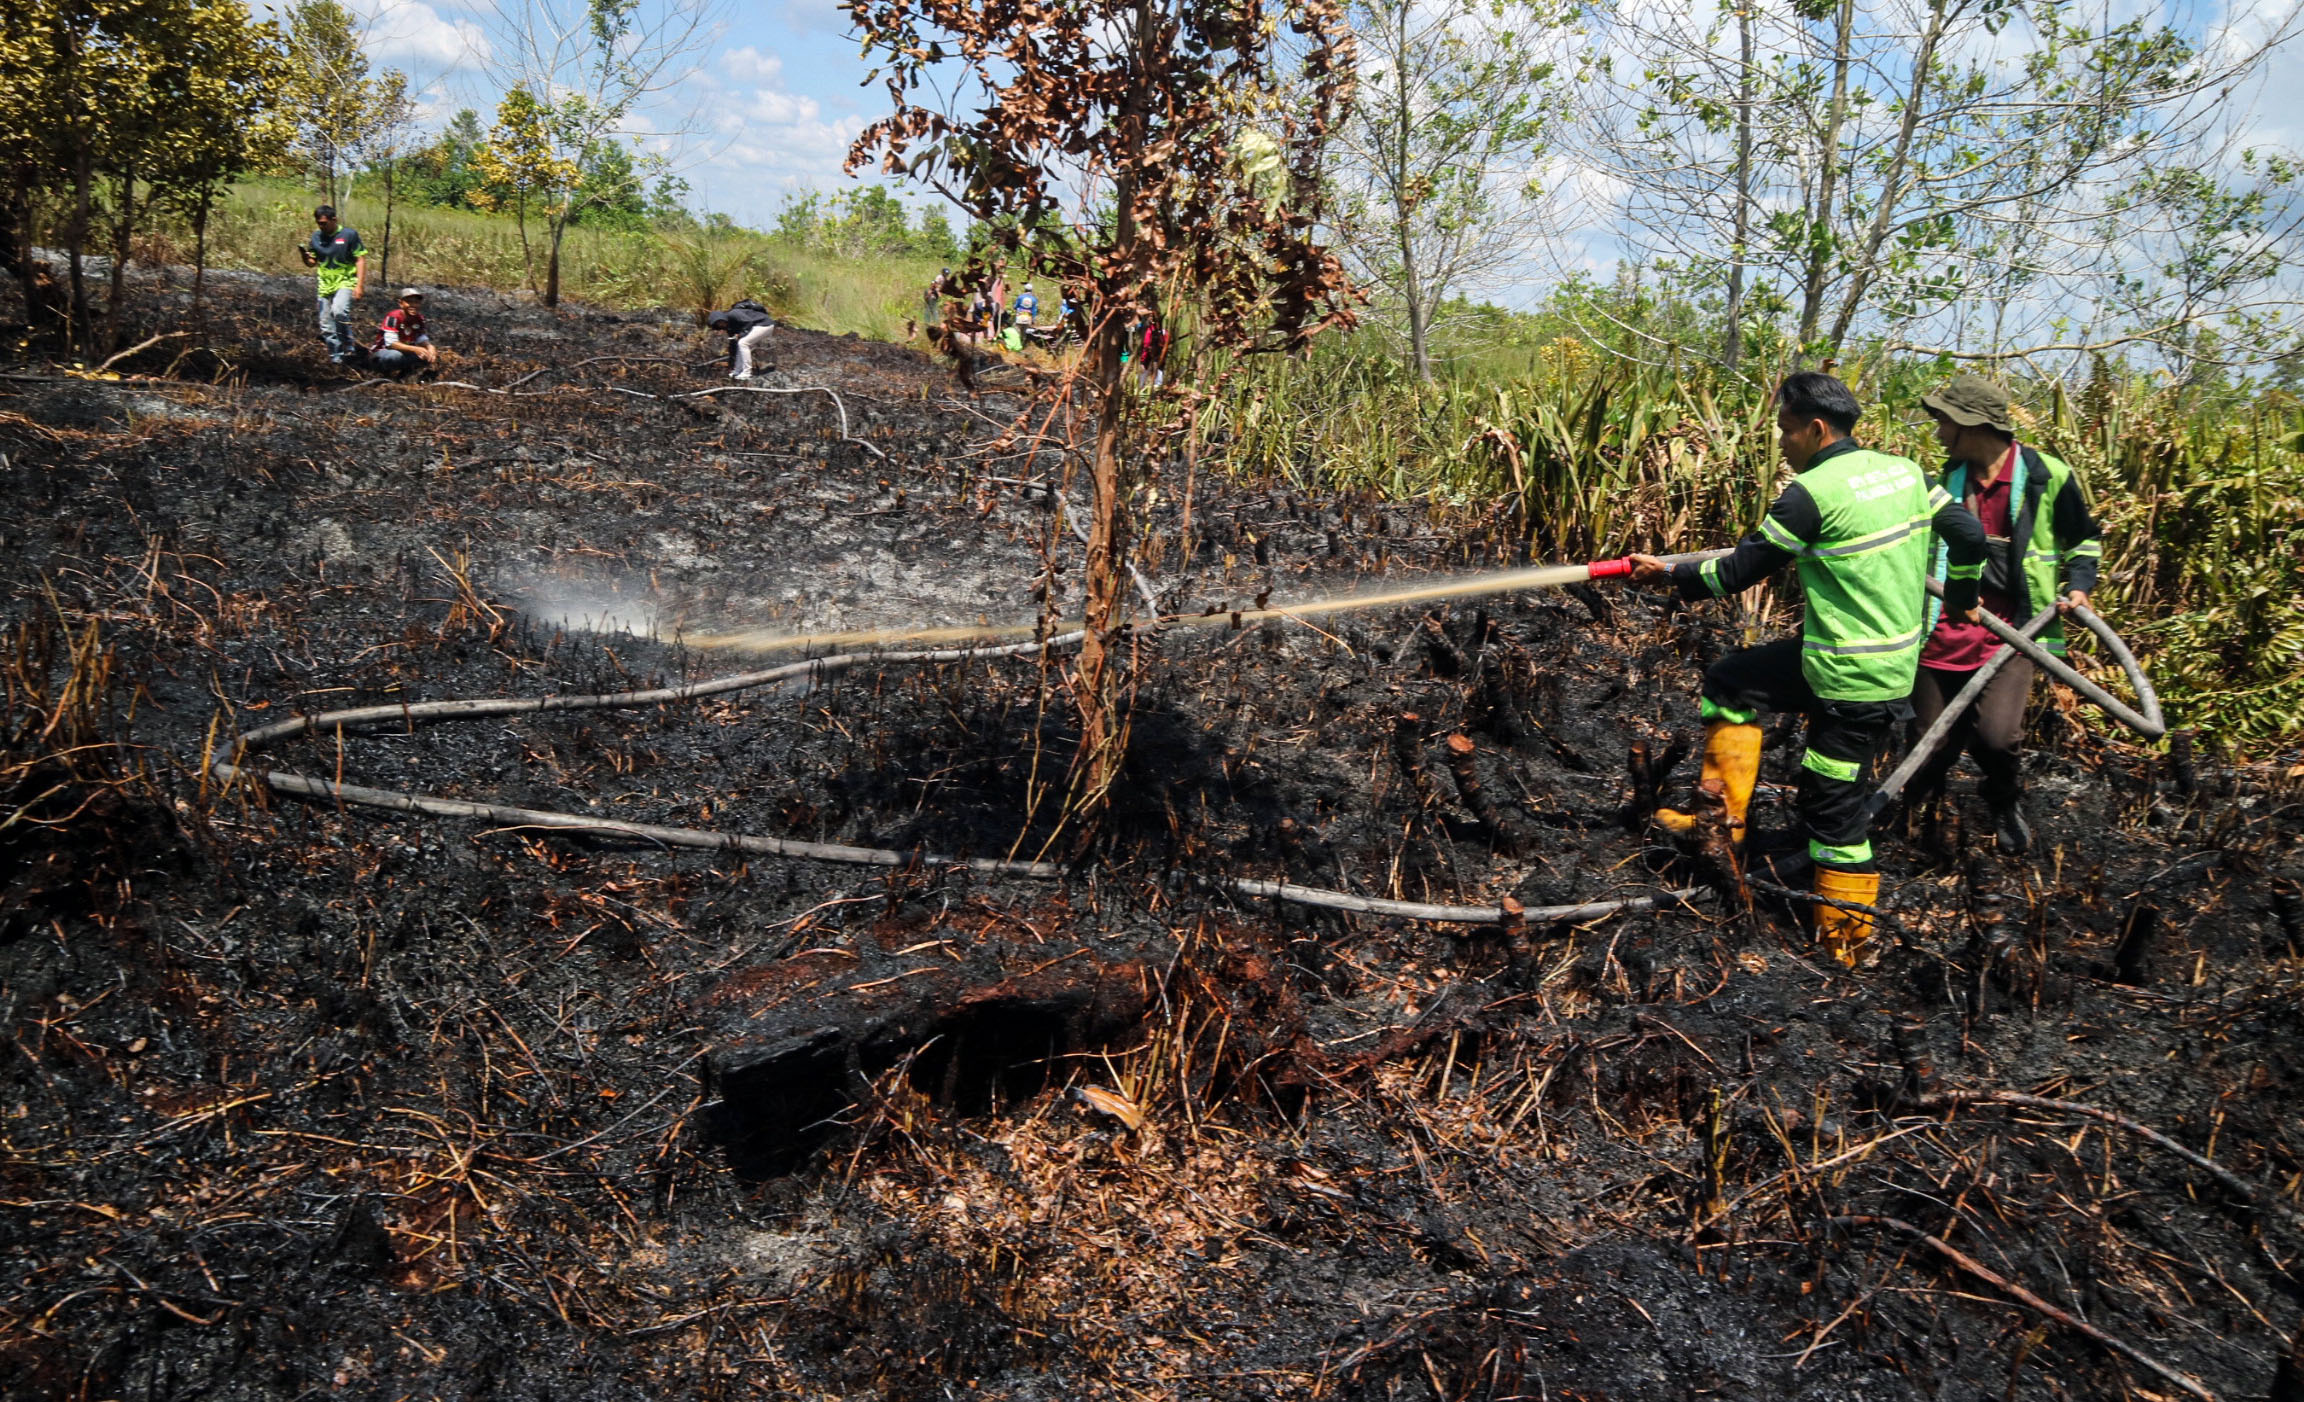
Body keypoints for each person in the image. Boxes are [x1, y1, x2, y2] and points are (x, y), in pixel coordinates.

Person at [1619, 371, 1988, 968]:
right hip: (1880, 660)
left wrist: (1669, 576)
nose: (1782, 444)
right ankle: (1724, 829)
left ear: (1817, 428)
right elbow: (1969, 535)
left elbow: (1737, 572)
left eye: (1786, 431)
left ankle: (1846, 951)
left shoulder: (1810, 494)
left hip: (1850, 680)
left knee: (1833, 810)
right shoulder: (1907, 474)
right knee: (1732, 679)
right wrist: (1962, 595)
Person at [1907, 375, 2103, 854]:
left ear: (1971, 425)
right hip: (1944, 628)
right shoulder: (1943, 481)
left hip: (2014, 631)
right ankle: (1917, 827)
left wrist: (2079, 587)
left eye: (1944, 421)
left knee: (1997, 739)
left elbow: (2083, 540)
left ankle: (2002, 799)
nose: (1937, 431)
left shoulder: (2046, 476)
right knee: (1926, 743)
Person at [300, 205, 365, 363]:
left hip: (345, 280)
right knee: (326, 325)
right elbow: (312, 262)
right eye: (319, 223)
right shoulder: (316, 237)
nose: (321, 226)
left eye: (324, 223)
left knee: (339, 310)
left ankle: (348, 345)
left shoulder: (349, 235)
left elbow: (360, 259)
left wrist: (360, 285)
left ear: (334, 220)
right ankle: (336, 358)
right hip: (325, 284)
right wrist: (304, 256)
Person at [368, 288, 436, 377]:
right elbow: (391, 344)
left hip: (405, 352)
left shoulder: (419, 318)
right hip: (383, 353)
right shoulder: (393, 317)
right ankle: (383, 374)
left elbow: (420, 337)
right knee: (395, 356)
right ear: (401, 303)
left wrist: (429, 347)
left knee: (426, 356)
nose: (413, 305)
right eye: (409, 302)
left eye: (416, 302)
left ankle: (403, 376)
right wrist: (416, 349)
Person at [707, 300, 775, 380]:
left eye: (721, 321)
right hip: (756, 326)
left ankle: (747, 372)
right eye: (719, 324)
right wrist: (731, 362)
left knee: (743, 343)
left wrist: (741, 335)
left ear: (722, 317)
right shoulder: (729, 327)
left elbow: (748, 322)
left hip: (765, 324)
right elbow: (733, 345)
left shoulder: (733, 314)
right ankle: (737, 371)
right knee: (739, 343)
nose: (722, 324)